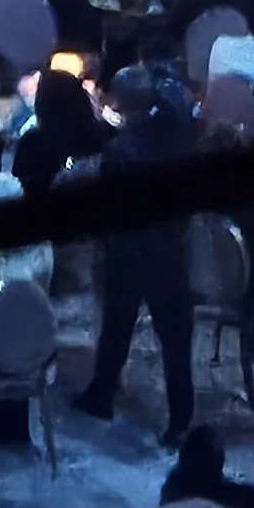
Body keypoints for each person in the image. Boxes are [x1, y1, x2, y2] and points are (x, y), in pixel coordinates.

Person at [77, 68, 200, 441]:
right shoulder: (179, 137)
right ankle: (180, 419)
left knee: (117, 326)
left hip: (129, 249)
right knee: (175, 339)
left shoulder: (120, 150)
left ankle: (101, 395)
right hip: (170, 248)